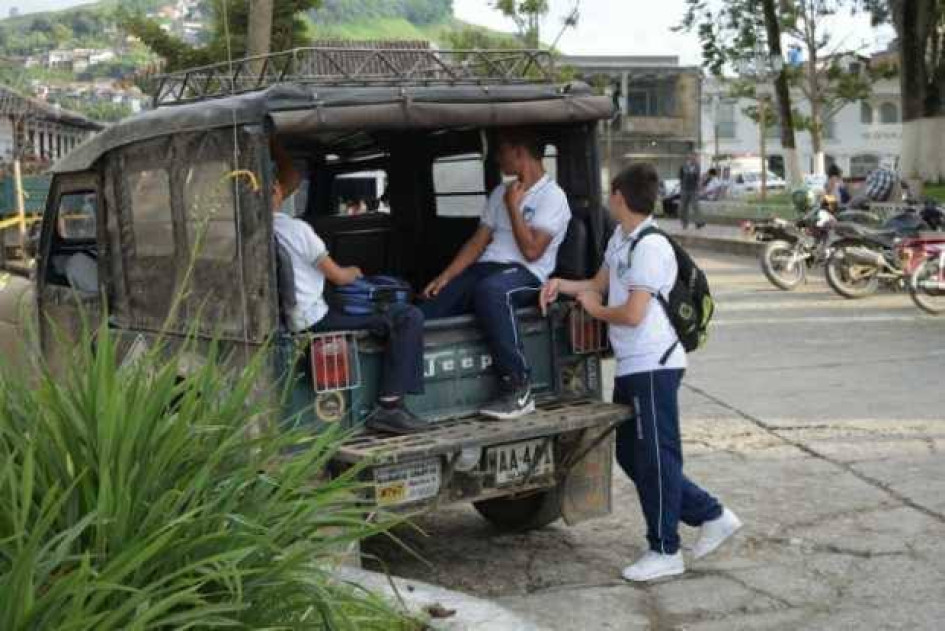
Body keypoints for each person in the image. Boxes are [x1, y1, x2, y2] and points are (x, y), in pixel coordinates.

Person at [540, 163, 742, 582]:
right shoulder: (620, 238)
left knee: (656, 455)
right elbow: (596, 283)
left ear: (617, 196)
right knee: (633, 454)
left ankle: (666, 549)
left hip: (655, 364)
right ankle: (711, 514)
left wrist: (595, 309)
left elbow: (632, 314)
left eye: (608, 192)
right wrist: (562, 284)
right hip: (633, 366)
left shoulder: (651, 247)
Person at [270, 144, 427, 435]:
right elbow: (340, 277)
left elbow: (289, 178)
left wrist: (275, 145)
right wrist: (355, 271)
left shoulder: (257, 229)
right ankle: (390, 407)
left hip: (297, 317)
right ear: (275, 191)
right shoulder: (296, 230)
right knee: (408, 317)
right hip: (315, 320)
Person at [421, 128, 571, 420]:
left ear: (520, 152)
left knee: (491, 291)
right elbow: (478, 242)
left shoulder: (553, 197)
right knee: (427, 308)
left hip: (527, 274)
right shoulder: (501, 192)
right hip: (488, 269)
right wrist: (446, 277)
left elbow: (531, 251)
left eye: (501, 151)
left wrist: (514, 207)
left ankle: (518, 387)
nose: (497, 159)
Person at [678, 153, 705, 229]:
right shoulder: (683, 166)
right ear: (688, 158)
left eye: (695, 158)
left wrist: (699, 186)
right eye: (692, 158)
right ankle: (684, 223)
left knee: (695, 206)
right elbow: (681, 177)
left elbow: (697, 177)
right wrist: (681, 187)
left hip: (694, 190)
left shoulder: (697, 166)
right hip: (684, 189)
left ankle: (699, 222)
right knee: (683, 207)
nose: (694, 159)